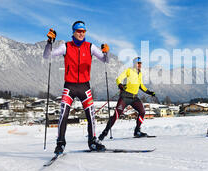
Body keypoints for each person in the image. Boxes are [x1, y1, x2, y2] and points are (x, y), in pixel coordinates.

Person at [43, 21, 109, 154]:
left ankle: (92, 141)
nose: (81, 33)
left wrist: (106, 52)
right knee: (64, 114)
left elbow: (105, 60)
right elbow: (47, 56)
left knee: (91, 115)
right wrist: (49, 42)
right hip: (70, 86)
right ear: (73, 32)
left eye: (83, 31)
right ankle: (60, 143)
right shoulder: (66, 46)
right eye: (78, 31)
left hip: (85, 86)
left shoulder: (90, 47)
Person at [98, 56, 156, 141]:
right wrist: (120, 85)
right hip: (125, 97)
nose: (140, 65)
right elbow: (119, 79)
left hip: (134, 98)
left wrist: (149, 92)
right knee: (116, 115)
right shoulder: (129, 70)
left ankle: (137, 131)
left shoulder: (140, 73)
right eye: (138, 63)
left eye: (141, 63)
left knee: (142, 112)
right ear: (135, 64)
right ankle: (104, 132)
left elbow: (141, 86)